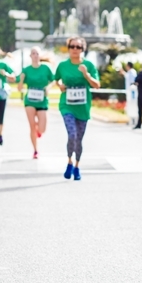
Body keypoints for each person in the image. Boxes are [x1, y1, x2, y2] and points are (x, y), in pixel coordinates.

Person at [54, 37, 100, 181]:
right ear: (68, 49)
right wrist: (59, 85)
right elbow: (57, 79)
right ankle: (69, 161)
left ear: (83, 49)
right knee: (72, 135)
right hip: (67, 105)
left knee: (79, 139)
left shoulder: (89, 65)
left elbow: (97, 85)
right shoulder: (62, 65)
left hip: (83, 107)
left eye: (78, 47)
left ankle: (77, 166)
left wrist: (86, 74)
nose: (75, 49)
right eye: (72, 47)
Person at [17, 46, 54, 159]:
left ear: (40, 55)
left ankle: (39, 129)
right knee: (32, 126)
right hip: (30, 101)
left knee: (42, 128)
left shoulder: (46, 68)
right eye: (33, 53)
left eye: (37, 53)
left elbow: (53, 80)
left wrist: (48, 88)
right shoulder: (26, 70)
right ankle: (35, 150)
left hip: (42, 101)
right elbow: (19, 88)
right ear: (30, 56)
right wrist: (22, 79)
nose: (35, 55)